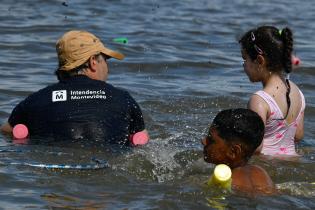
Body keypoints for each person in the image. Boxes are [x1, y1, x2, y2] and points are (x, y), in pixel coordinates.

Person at [0, 30, 149, 146]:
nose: (107, 66)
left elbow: (6, 130)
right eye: (105, 59)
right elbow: (143, 138)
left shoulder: (35, 101)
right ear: (93, 62)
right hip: (108, 166)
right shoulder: (123, 99)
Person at [239, 26, 305, 156]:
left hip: (266, 166)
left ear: (259, 61)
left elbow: (256, 148)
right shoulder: (297, 92)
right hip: (292, 161)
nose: (243, 65)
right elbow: (298, 135)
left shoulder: (259, 100)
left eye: (245, 59)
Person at [202, 108, 276, 196]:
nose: (203, 141)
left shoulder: (230, 184)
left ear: (233, 152)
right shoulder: (261, 172)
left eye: (211, 140)